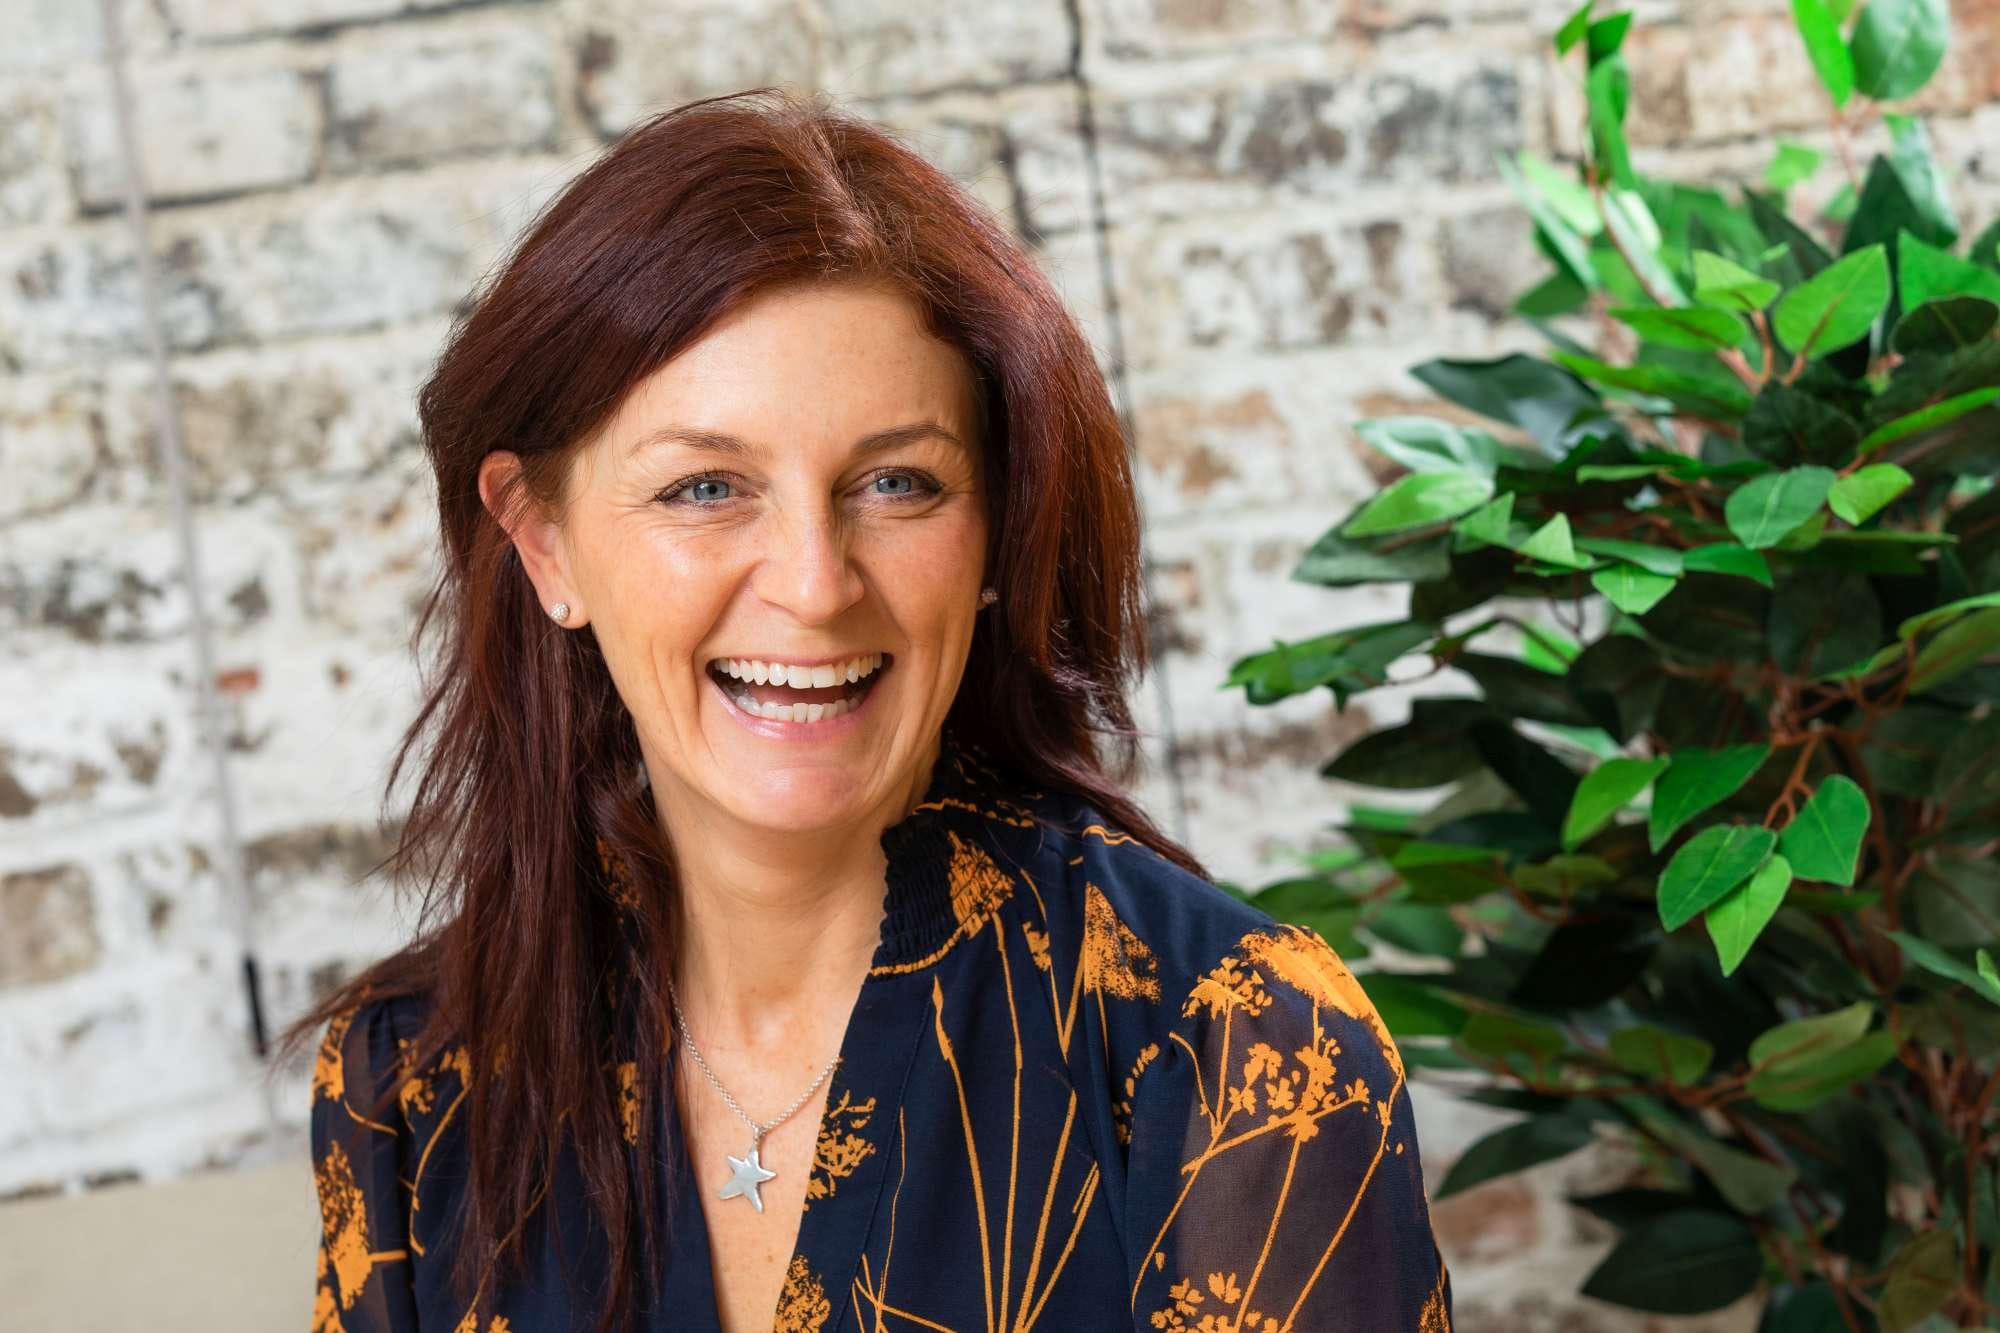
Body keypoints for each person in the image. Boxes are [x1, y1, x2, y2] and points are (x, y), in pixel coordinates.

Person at [285, 86, 1454, 1333]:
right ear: (544, 542)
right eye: (704, 487)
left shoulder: (1232, 1049)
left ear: (998, 527)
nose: (812, 583)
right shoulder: (411, 1079)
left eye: (897, 483)